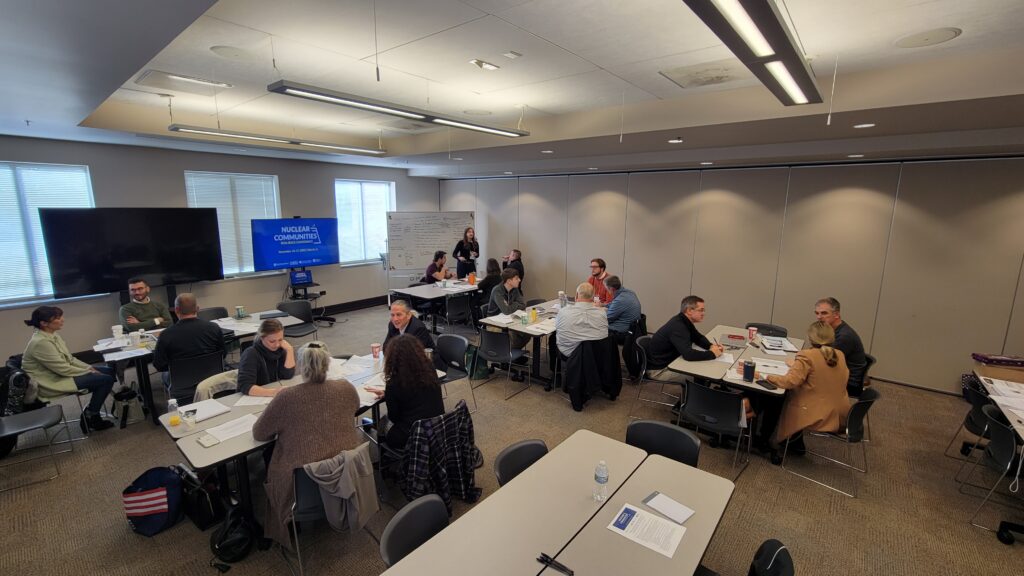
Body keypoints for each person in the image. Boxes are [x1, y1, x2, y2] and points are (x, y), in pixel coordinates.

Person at [252, 341, 362, 549]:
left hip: (300, 486)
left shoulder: (286, 397)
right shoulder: (346, 388)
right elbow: (354, 408)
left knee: (270, 455)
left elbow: (259, 433)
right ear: (328, 364)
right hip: (344, 474)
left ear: (300, 367)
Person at [759, 321, 851, 464]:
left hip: (816, 413)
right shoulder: (839, 354)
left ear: (810, 338)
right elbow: (821, 372)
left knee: (777, 397)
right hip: (840, 412)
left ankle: (764, 439)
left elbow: (789, 382)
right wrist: (796, 365)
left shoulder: (807, 356)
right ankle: (795, 441)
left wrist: (765, 376)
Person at [22, 306, 115, 432]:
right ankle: (90, 416)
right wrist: (88, 372)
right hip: (49, 382)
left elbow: (69, 359)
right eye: (58, 318)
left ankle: (92, 412)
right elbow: (62, 369)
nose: (62, 320)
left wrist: (89, 367)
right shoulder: (40, 342)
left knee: (108, 372)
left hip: (58, 374)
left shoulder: (52, 335)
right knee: (106, 380)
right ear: (44, 323)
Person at [371, 335, 445, 450]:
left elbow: (394, 417)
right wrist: (389, 395)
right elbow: (417, 394)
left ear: (392, 358)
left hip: (412, 436)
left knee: (383, 423)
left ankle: (383, 460)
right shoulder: (430, 368)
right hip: (437, 427)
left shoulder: (394, 383)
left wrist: (390, 395)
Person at [152, 293, 226, 397]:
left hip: (180, 383)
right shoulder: (214, 327)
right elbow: (223, 354)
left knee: (165, 375)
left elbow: (159, 365)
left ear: (176, 310)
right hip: (212, 380)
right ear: (197, 308)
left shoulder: (166, 334)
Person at [647, 295, 724, 383]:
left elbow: (698, 337)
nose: (703, 313)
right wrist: (712, 354)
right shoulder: (678, 326)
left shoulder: (684, 320)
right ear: (689, 311)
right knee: (702, 375)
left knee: (704, 367)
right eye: (701, 310)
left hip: (672, 361)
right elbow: (688, 355)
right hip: (660, 370)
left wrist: (711, 346)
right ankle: (695, 396)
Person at [814, 297, 868, 396]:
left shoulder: (844, 337)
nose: (819, 317)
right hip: (838, 372)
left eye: (824, 313)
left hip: (848, 382)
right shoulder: (832, 330)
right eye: (817, 313)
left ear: (836, 314)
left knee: (801, 380)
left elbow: (826, 362)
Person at [236, 319, 295, 397]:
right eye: (272, 341)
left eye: (280, 340)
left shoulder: (281, 349)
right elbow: (245, 386)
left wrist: (290, 350)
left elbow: (288, 375)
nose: (277, 344)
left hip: (273, 393)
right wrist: (273, 392)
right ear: (262, 338)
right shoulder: (251, 354)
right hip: (255, 396)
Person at [553, 283, 608, 358]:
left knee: (553, 337)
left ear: (576, 295)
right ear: (593, 297)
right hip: (596, 354)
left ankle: (555, 368)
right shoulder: (602, 313)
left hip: (570, 353)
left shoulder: (563, 312)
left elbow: (558, 329)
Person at [487, 267, 530, 350]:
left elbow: (523, 305)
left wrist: (512, 304)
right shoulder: (497, 291)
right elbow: (506, 311)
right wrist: (515, 305)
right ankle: (507, 355)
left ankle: (513, 353)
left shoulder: (515, 289)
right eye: (516, 278)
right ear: (509, 281)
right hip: (494, 323)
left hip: (510, 319)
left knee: (527, 332)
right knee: (513, 334)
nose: (519, 280)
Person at [604, 275, 641, 341]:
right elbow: (614, 304)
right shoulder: (630, 292)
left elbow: (607, 319)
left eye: (606, 289)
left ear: (612, 289)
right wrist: (602, 305)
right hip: (633, 328)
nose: (607, 291)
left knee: (597, 327)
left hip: (623, 332)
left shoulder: (620, 300)